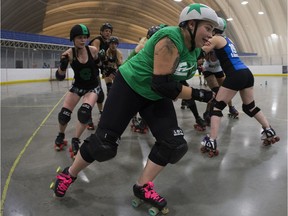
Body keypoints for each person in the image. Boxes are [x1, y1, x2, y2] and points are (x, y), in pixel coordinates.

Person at [51, 3, 218, 212]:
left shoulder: (194, 51)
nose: (211, 35)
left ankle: (142, 186)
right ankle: (68, 173)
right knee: (104, 145)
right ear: (191, 24)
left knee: (174, 144)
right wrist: (203, 94)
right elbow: (163, 84)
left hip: (154, 96)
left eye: (213, 30)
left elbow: (170, 83)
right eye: (208, 28)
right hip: (130, 86)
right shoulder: (170, 38)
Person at [200, 17, 280, 157]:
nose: (208, 32)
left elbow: (200, 52)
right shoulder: (227, 39)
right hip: (246, 73)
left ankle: (211, 140)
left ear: (214, 29)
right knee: (249, 107)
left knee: (217, 107)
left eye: (210, 28)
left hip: (235, 74)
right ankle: (268, 130)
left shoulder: (217, 38)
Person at [54, 24, 101, 159]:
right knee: (64, 115)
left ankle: (75, 140)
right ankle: (61, 135)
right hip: (77, 86)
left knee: (84, 113)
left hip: (92, 88)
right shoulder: (69, 54)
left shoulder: (92, 50)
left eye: (85, 37)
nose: (83, 40)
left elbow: (99, 65)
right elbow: (59, 77)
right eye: (80, 37)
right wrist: (62, 65)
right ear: (73, 39)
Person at [86, 23, 113, 130]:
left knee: (100, 95)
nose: (108, 33)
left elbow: (104, 59)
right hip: (89, 69)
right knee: (92, 94)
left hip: (96, 69)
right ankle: (88, 118)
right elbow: (95, 54)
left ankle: (101, 113)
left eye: (110, 31)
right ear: (101, 32)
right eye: (106, 31)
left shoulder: (108, 43)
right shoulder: (97, 40)